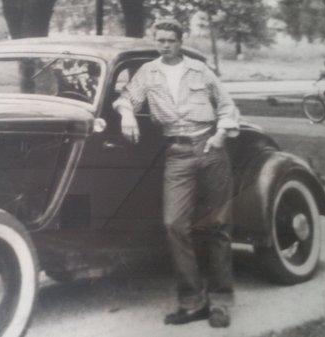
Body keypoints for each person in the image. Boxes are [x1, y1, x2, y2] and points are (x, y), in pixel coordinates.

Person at [113, 18, 240, 328]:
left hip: (210, 148)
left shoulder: (200, 70)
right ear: (155, 41)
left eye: (171, 39)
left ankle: (221, 302)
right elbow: (126, 98)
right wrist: (127, 114)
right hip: (177, 154)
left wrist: (220, 135)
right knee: (173, 224)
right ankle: (193, 301)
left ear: (180, 41)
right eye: (161, 40)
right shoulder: (148, 72)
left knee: (218, 225)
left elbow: (226, 106)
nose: (165, 44)